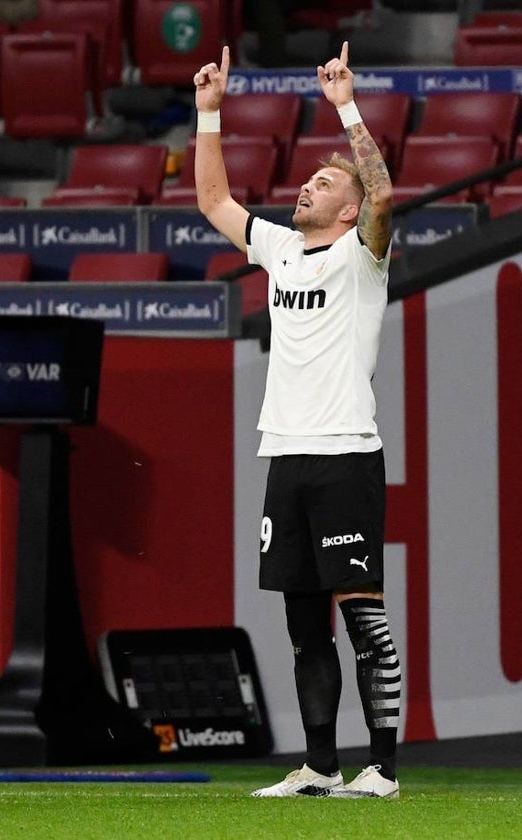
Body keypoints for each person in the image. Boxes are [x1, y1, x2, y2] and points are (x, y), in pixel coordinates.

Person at [194, 42, 402, 799]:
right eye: (309, 179)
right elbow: (213, 202)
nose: (307, 188)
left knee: (363, 618)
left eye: (323, 184)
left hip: (347, 451)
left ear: (344, 209)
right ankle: (321, 766)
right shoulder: (281, 248)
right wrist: (208, 113)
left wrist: (346, 106)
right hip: (287, 455)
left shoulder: (364, 253)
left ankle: (382, 769)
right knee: (303, 625)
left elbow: (382, 199)